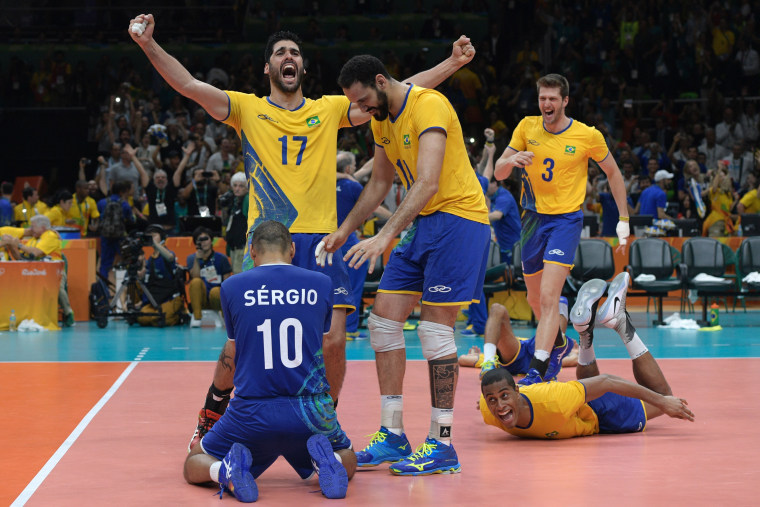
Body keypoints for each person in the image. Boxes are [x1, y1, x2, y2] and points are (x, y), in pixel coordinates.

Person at [128, 13, 476, 443]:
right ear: (267, 68)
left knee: (333, 340)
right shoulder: (246, 107)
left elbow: (395, 93)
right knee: (242, 343)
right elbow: (189, 85)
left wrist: (451, 64)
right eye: (279, 53)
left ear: (303, 68)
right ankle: (210, 418)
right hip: (269, 240)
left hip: (323, 241)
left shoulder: (328, 109)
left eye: (294, 53)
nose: (287, 57)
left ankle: (323, 424)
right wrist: (148, 45)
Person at [317, 54, 490, 476]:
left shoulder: (428, 105)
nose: (361, 110)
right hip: (424, 223)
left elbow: (428, 181)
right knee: (382, 322)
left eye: (363, 100)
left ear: (380, 81)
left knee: (434, 331)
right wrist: (346, 229)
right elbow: (379, 181)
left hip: (459, 220)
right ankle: (393, 433)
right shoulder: (381, 121)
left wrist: (385, 235)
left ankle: (442, 442)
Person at [184, 221, 356, 501]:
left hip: (251, 409)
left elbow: (234, 352)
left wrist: (214, 402)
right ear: (292, 249)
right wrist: (328, 404)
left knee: (194, 463)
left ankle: (224, 470)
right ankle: (328, 463)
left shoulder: (232, 287)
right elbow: (329, 344)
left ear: (252, 252)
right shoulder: (321, 284)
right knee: (347, 456)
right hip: (309, 407)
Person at [492, 73, 630, 386]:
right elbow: (499, 173)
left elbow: (613, 172)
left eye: (553, 98)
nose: (547, 104)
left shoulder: (587, 135)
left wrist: (624, 218)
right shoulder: (526, 127)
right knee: (534, 299)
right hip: (532, 220)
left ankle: (539, 369)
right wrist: (512, 159)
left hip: (566, 221)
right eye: (542, 98)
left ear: (565, 101)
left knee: (549, 295)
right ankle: (558, 342)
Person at [479, 272, 695, 439]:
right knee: (584, 387)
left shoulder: (553, 401)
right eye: (492, 401)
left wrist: (664, 403)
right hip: (575, 404)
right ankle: (584, 332)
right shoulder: (490, 411)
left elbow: (606, 381)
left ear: (517, 391)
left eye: (504, 397)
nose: (499, 406)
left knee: (663, 394)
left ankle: (621, 323)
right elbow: (489, 399)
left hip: (602, 414)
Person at [458, 297, 578, 374]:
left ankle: (560, 343)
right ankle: (488, 365)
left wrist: (473, 355)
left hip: (539, 349)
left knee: (561, 304)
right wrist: (574, 353)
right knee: (496, 308)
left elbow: (463, 359)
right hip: (518, 352)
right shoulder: (495, 350)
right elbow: (573, 360)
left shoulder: (486, 353)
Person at [5, 215, 75, 327]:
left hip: (55, 271)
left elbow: (35, 252)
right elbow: (21, 258)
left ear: (43, 227)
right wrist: (12, 247)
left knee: (57, 286)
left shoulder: (50, 236)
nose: (30, 229)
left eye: (33, 227)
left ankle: (68, 312)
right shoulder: (33, 239)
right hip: (35, 271)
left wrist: (17, 244)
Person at [134, 224, 186, 326]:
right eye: (149, 236)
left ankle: (176, 314)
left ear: (162, 237)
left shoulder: (168, 253)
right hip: (155, 299)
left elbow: (170, 257)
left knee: (165, 318)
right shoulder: (150, 259)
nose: (151, 238)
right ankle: (157, 317)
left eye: (154, 235)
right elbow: (149, 284)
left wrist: (155, 243)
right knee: (141, 317)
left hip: (170, 297)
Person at [186, 226, 232, 327]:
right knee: (195, 282)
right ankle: (197, 318)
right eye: (200, 240)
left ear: (211, 240)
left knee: (217, 291)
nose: (204, 242)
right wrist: (197, 259)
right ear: (196, 243)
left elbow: (228, 284)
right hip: (200, 298)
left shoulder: (222, 258)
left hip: (216, 299)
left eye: (206, 238)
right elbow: (195, 277)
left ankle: (226, 317)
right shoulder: (191, 258)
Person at [224, 172, 249, 274]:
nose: (237, 188)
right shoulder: (235, 201)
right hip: (234, 247)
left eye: (241, 186)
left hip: (242, 248)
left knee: (239, 276)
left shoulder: (247, 199)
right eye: (235, 185)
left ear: (247, 188)